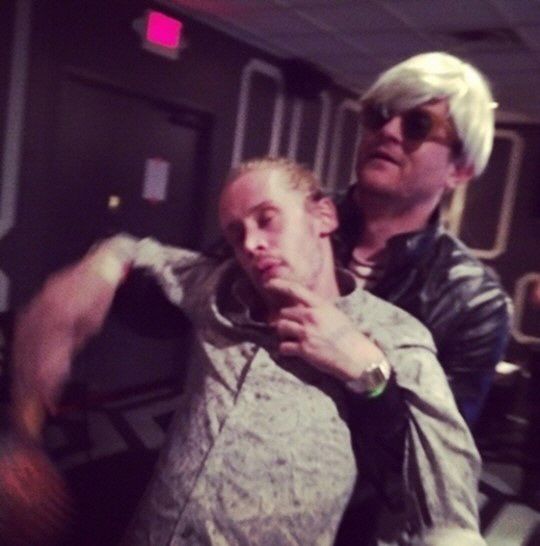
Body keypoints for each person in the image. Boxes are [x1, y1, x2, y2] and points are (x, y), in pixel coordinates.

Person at [11, 157, 485, 545]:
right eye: (236, 234)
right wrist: (105, 260)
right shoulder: (219, 289)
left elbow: (449, 499)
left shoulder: (392, 332)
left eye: (267, 219)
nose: (252, 244)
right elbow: (145, 253)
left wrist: (367, 371)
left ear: (324, 216)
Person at [336, 51, 512, 429]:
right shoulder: (290, 221)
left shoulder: (474, 301)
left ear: (460, 170)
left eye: (417, 124)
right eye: (380, 114)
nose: (389, 131)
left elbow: (437, 441)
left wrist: (365, 374)